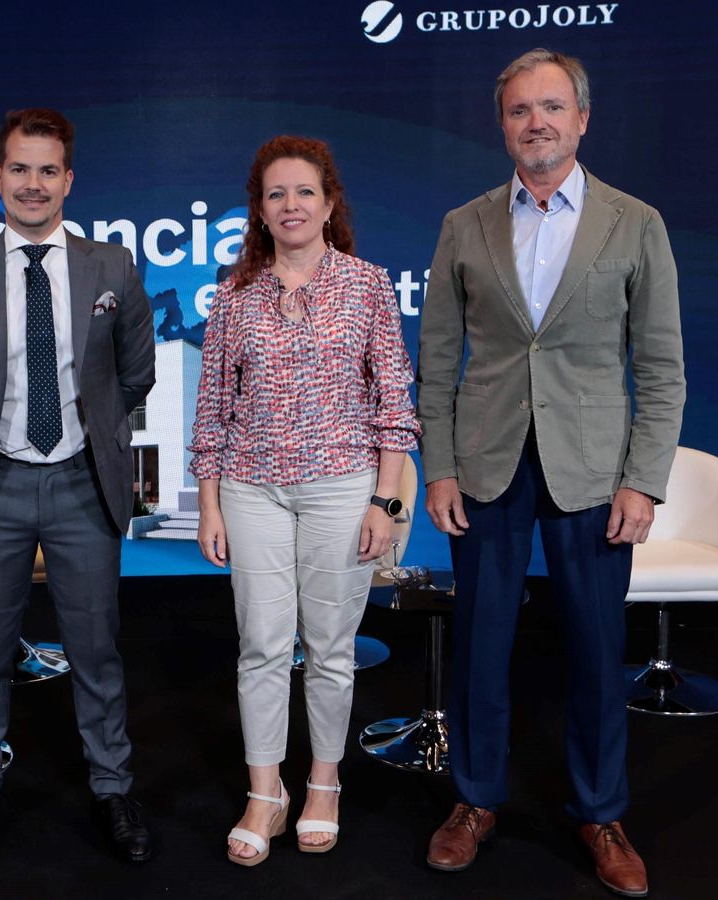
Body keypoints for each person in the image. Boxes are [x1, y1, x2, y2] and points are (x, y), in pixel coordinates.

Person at [416, 49, 686, 898]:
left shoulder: (633, 221)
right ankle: (474, 802)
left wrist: (644, 479)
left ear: (581, 118)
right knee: (481, 647)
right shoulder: (464, 223)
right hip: (488, 463)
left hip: (596, 470)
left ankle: (601, 812)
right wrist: (440, 466)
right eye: (519, 110)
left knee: (600, 653)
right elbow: (436, 358)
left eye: (551, 107)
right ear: (501, 125)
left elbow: (662, 365)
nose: (536, 122)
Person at [0, 108, 157, 867]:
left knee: (97, 650)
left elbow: (136, 372)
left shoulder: (112, 266)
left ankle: (113, 787)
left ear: (69, 180)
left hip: (83, 485)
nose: (33, 184)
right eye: (19, 169)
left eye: (47, 170)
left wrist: (89, 432)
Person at [189, 135, 420, 867]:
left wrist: (385, 502)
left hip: (343, 487)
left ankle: (323, 784)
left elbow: (394, 402)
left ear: (329, 204)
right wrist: (210, 501)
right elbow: (211, 407)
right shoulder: (233, 295)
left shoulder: (368, 285)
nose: (290, 205)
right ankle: (266, 793)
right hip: (252, 490)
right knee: (260, 644)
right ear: (259, 210)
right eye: (275, 194)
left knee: (328, 649)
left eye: (304, 192)